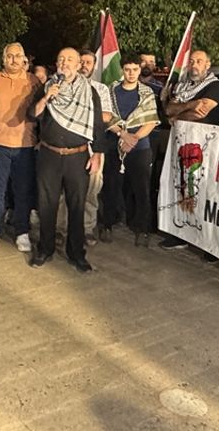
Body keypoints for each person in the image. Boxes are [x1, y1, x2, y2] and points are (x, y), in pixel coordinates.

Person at [30, 48, 109, 273]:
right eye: (61, 59)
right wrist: (46, 97)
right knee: (47, 205)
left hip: (78, 156)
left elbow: (97, 124)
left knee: (77, 205)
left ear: (78, 65)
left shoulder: (89, 91)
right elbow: (32, 114)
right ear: (56, 64)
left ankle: (76, 253)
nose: (65, 63)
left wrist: (97, 154)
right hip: (49, 155)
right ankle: (45, 249)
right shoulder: (47, 87)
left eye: (70, 60)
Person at [160, 47, 219, 251]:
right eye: (191, 61)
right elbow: (169, 109)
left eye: (199, 61)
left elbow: (201, 114)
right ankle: (182, 233)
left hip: (203, 148)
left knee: (200, 190)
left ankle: (204, 239)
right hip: (181, 145)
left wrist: (178, 115)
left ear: (208, 64)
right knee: (182, 189)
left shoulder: (214, 86)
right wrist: (192, 104)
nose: (194, 65)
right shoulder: (183, 86)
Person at [0, 43, 43, 252]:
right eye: (10, 56)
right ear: (3, 59)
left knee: (23, 191)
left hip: (25, 145)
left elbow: (43, 109)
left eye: (18, 56)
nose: (14, 60)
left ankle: (22, 231)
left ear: (24, 59)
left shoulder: (34, 82)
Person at [101, 55, 160, 246]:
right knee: (111, 186)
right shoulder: (111, 90)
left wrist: (133, 138)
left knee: (141, 188)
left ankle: (142, 228)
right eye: (127, 70)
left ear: (139, 70)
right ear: (122, 70)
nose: (131, 73)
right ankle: (107, 224)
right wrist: (122, 134)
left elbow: (151, 120)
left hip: (139, 146)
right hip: (114, 144)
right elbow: (106, 117)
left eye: (135, 69)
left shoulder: (146, 92)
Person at [77, 50, 117, 247]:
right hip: (70, 144)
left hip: (94, 146)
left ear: (94, 66)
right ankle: (61, 228)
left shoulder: (100, 89)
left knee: (92, 190)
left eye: (89, 62)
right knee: (63, 191)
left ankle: (86, 228)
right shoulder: (66, 86)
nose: (84, 65)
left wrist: (80, 115)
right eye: (82, 61)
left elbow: (107, 116)